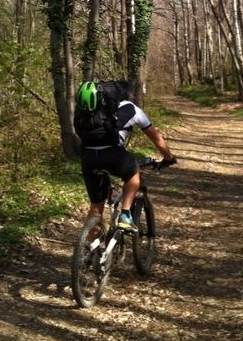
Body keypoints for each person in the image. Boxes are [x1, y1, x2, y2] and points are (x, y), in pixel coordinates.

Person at [75, 80, 176, 232]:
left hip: (88, 158)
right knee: (133, 170)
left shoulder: (90, 111)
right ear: (126, 95)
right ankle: (125, 214)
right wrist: (168, 157)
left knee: (96, 207)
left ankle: (89, 250)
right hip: (113, 155)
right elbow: (157, 139)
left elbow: (82, 138)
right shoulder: (132, 109)